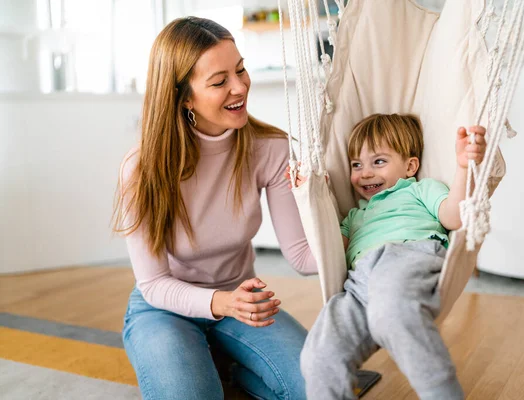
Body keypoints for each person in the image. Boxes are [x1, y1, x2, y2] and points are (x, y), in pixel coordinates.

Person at [113, 17, 317, 400]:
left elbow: (303, 256)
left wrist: (375, 232)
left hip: (242, 300)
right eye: (219, 81)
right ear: (184, 96)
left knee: (321, 388)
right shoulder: (142, 167)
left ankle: (228, 368)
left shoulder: (270, 148)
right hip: (164, 308)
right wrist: (223, 303)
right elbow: (154, 284)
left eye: (240, 70)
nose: (240, 87)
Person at [291, 113, 487, 400]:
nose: (365, 173)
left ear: (410, 166)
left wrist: (464, 169)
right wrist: (312, 198)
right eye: (356, 165)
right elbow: (326, 251)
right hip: (358, 285)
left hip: (408, 257)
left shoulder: (422, 190)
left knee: (392, 313)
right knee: (319, 354)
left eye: (378, 162)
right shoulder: (354, 216)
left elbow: (455, 217)